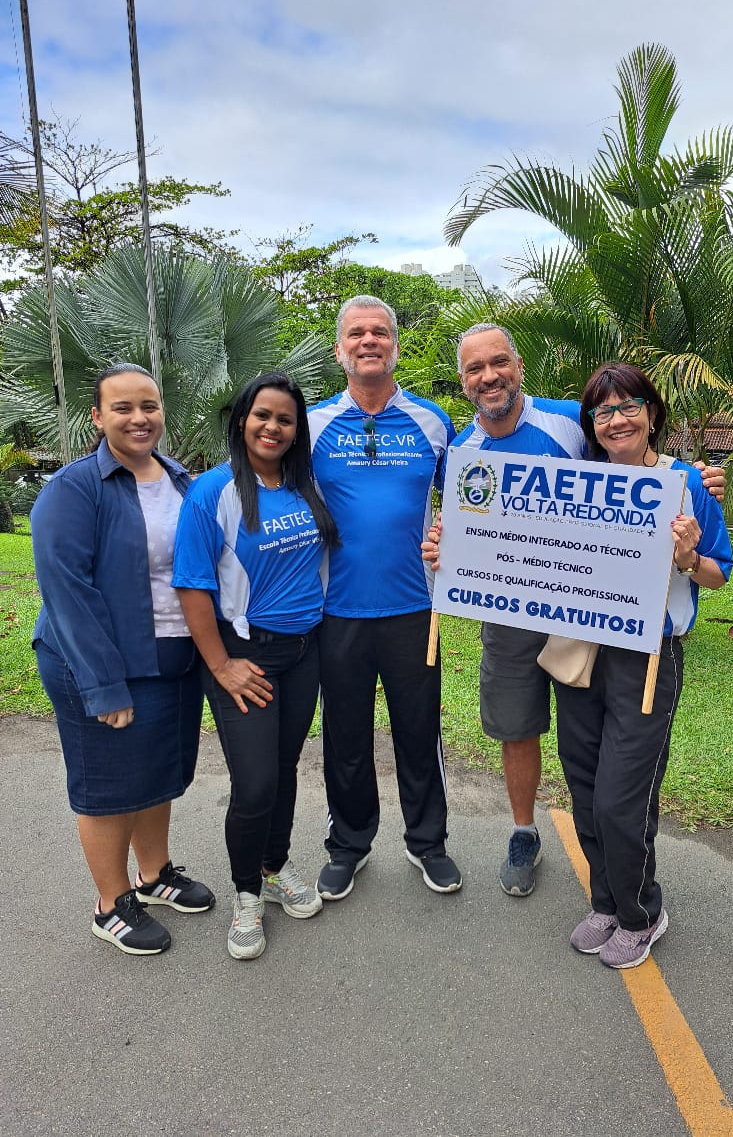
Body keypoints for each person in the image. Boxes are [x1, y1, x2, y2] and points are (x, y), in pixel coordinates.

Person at [446, 324, 726, 898]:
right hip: (515, 605)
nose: (489, 376)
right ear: (463, 381)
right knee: (525, 728)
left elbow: (638, 462)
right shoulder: (460, 450)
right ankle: (527, 834)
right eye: (475, 369)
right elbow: (462, 526)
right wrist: (443, 549)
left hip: (599, 618)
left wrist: (695, 483)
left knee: (617, 774)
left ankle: (632, 900)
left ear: (518, 366)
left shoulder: (570, 421)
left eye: (499, 362)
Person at [31, 363, 215, 957]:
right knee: (109, 785)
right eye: (123, 408)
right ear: (98, 416)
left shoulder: (181, 478)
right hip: (99, 661)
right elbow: (67, 592)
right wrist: (103, 685)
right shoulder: (74, 487)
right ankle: (110, 904)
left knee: (156, 771)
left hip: (171, 654)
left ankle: (154, 874)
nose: (139, 418)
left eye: (150, 406)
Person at [557, 361, 732, 968]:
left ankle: (641, 913)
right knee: (583, 785)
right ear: (592, 425)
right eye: (603, 411)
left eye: (629, 405)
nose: (616, 419)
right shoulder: (576, 483)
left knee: (621, 798)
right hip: (581, 653)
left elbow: (718, 571)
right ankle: (606, 902)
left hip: (649, 659)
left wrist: (687, 557)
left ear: (652, 413)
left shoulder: (686, 485)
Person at [173, 373, 338, 960]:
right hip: (246, 655)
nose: (273, 427)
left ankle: (273, 867)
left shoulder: (303, 488)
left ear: (298, 432)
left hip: (304, 651)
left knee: (286, 767)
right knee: (256, 780)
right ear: (241, 419)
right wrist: (221, 666)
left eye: (286, 420)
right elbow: (192, 587)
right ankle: (246, 893)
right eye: (262, 416)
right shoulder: (211, 492)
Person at [307, 295, 462, 899]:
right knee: (345, 737)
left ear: (395, 345)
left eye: (379, 332)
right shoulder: (314, 425)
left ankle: (428, 843)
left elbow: (482, 501)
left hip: (413, 612)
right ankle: (348, 844)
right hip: (335, 610)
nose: (368, 340)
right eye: (356, 333)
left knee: (419, 732)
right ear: (340, 348)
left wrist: (457, 539)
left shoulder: (432, 422)